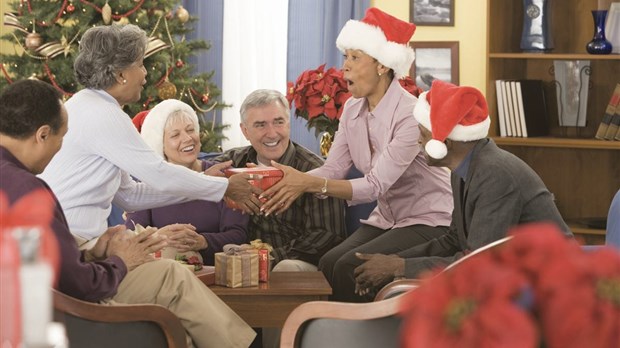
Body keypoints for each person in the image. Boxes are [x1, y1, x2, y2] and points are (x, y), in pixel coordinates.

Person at [0, 79, 256, 347]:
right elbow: (80, 285)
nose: (61, 149)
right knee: (172, 278)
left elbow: (44, 263)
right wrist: (122, 260)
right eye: (62, 138)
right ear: (42, 135)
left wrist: (94, 252)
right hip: (67, 313)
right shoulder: (27, 190)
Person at [260, 8, 453, 302]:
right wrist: (283, 180)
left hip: (429, 221)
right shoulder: (351, 108)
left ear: (382, 65)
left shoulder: (410, 114)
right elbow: (333, 167)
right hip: (388, 217)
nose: (344, 67)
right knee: (328, 263)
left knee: (350, 267)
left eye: (354, 57)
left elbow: (376, 185)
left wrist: (306, 183)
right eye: (345, 57)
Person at [39, 24, 261, 248]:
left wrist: (209, 182)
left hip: (68, 240)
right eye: (140, 64)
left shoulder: (92, 105)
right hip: (66, 244)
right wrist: (222, 187)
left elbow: (130, 196)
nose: (145, 74)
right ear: (121, 74)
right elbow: (158, 173)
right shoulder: (103, 113)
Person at [353, 80, 573, 295]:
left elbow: (479, 264)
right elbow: (453, 240)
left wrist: (398, 268)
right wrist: (397, 262)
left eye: (422, 133)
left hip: (548, 286)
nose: (418, 141)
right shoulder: (466, 166)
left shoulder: (495, 174)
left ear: (444, 143)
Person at [215, 89, 346, 272]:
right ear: (245, 131)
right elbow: (195, 175)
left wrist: (270, 257)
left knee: (285, 268)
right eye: (260, 125)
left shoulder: (315, 169)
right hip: (243, 258)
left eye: (278, 122)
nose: (272, 133)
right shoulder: (234, 162)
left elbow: (327, 235)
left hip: (296, 260)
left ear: (288, 124)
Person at [125, 99, 249, 266]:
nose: (187, 138)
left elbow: (239, 235)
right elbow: (132, 238)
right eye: (175, 135)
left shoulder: (223, 176)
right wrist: (160, 237)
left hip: (219, 270)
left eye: (190, 130)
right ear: (160, 144)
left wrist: (202, 241)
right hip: (162, 269)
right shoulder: (146, 183)